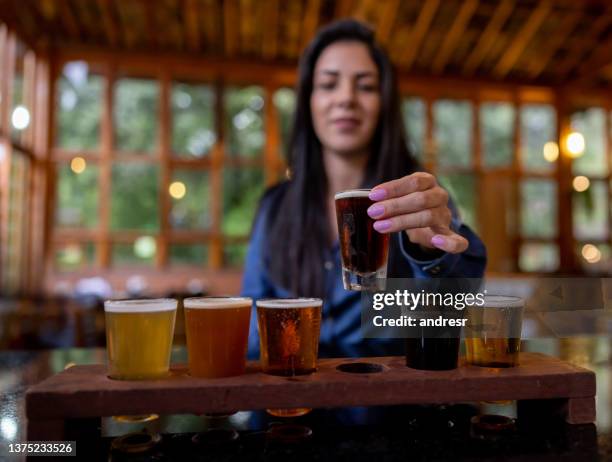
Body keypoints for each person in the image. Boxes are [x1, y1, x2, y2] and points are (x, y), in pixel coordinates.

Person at [241, 19, 486, 358]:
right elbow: (255, 340)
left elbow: (447, 321)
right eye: (328, 84)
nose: (346, 98)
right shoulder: (274, 206)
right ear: (308, 101)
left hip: (391, 406)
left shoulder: (419, 202)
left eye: (366, 86)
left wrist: (431, 257)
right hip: (287, 407)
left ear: (385, 103)